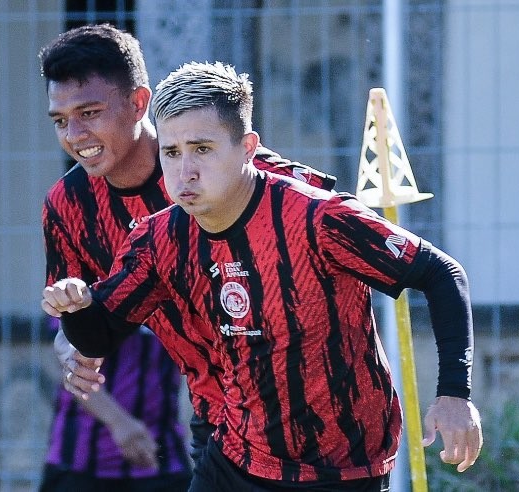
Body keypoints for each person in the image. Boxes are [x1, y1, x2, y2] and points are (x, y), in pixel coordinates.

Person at [42, 61, 483, 491]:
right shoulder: (159, 237)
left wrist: (453, 395)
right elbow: (98, 335)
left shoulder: (318, 218)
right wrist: (76, 307)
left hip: (343, 464)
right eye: (172, 153)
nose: (184, 170)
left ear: (248, 148)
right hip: (237, 454)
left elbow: (442, 274)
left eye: (203, 149)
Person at [37, 26, 336, 491]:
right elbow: (71, 321)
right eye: (60, 120)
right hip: (215, 417)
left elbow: (337, 230)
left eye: (90, 113)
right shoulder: (68, 205)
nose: (76, 135)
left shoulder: (224, 166)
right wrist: (74, 347)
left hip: (309, 415)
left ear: (139, 103)